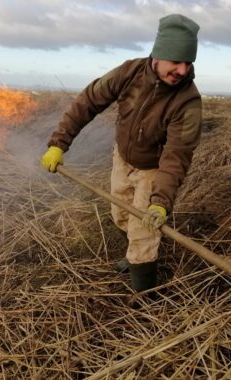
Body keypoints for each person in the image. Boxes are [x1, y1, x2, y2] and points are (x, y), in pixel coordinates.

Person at [40, 14, 203, 294]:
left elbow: (176, 155)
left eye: (188, 63)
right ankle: (133, 256)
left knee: (144, 231)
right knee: (120, 215)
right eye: (176, 61)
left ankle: (144, 295)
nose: (182, 70)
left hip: (154, 169)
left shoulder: (187, 102)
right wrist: (59, 143)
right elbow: (88, 101)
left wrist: (160, 202)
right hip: (123, 158)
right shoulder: (130, 72)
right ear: (159, 53)